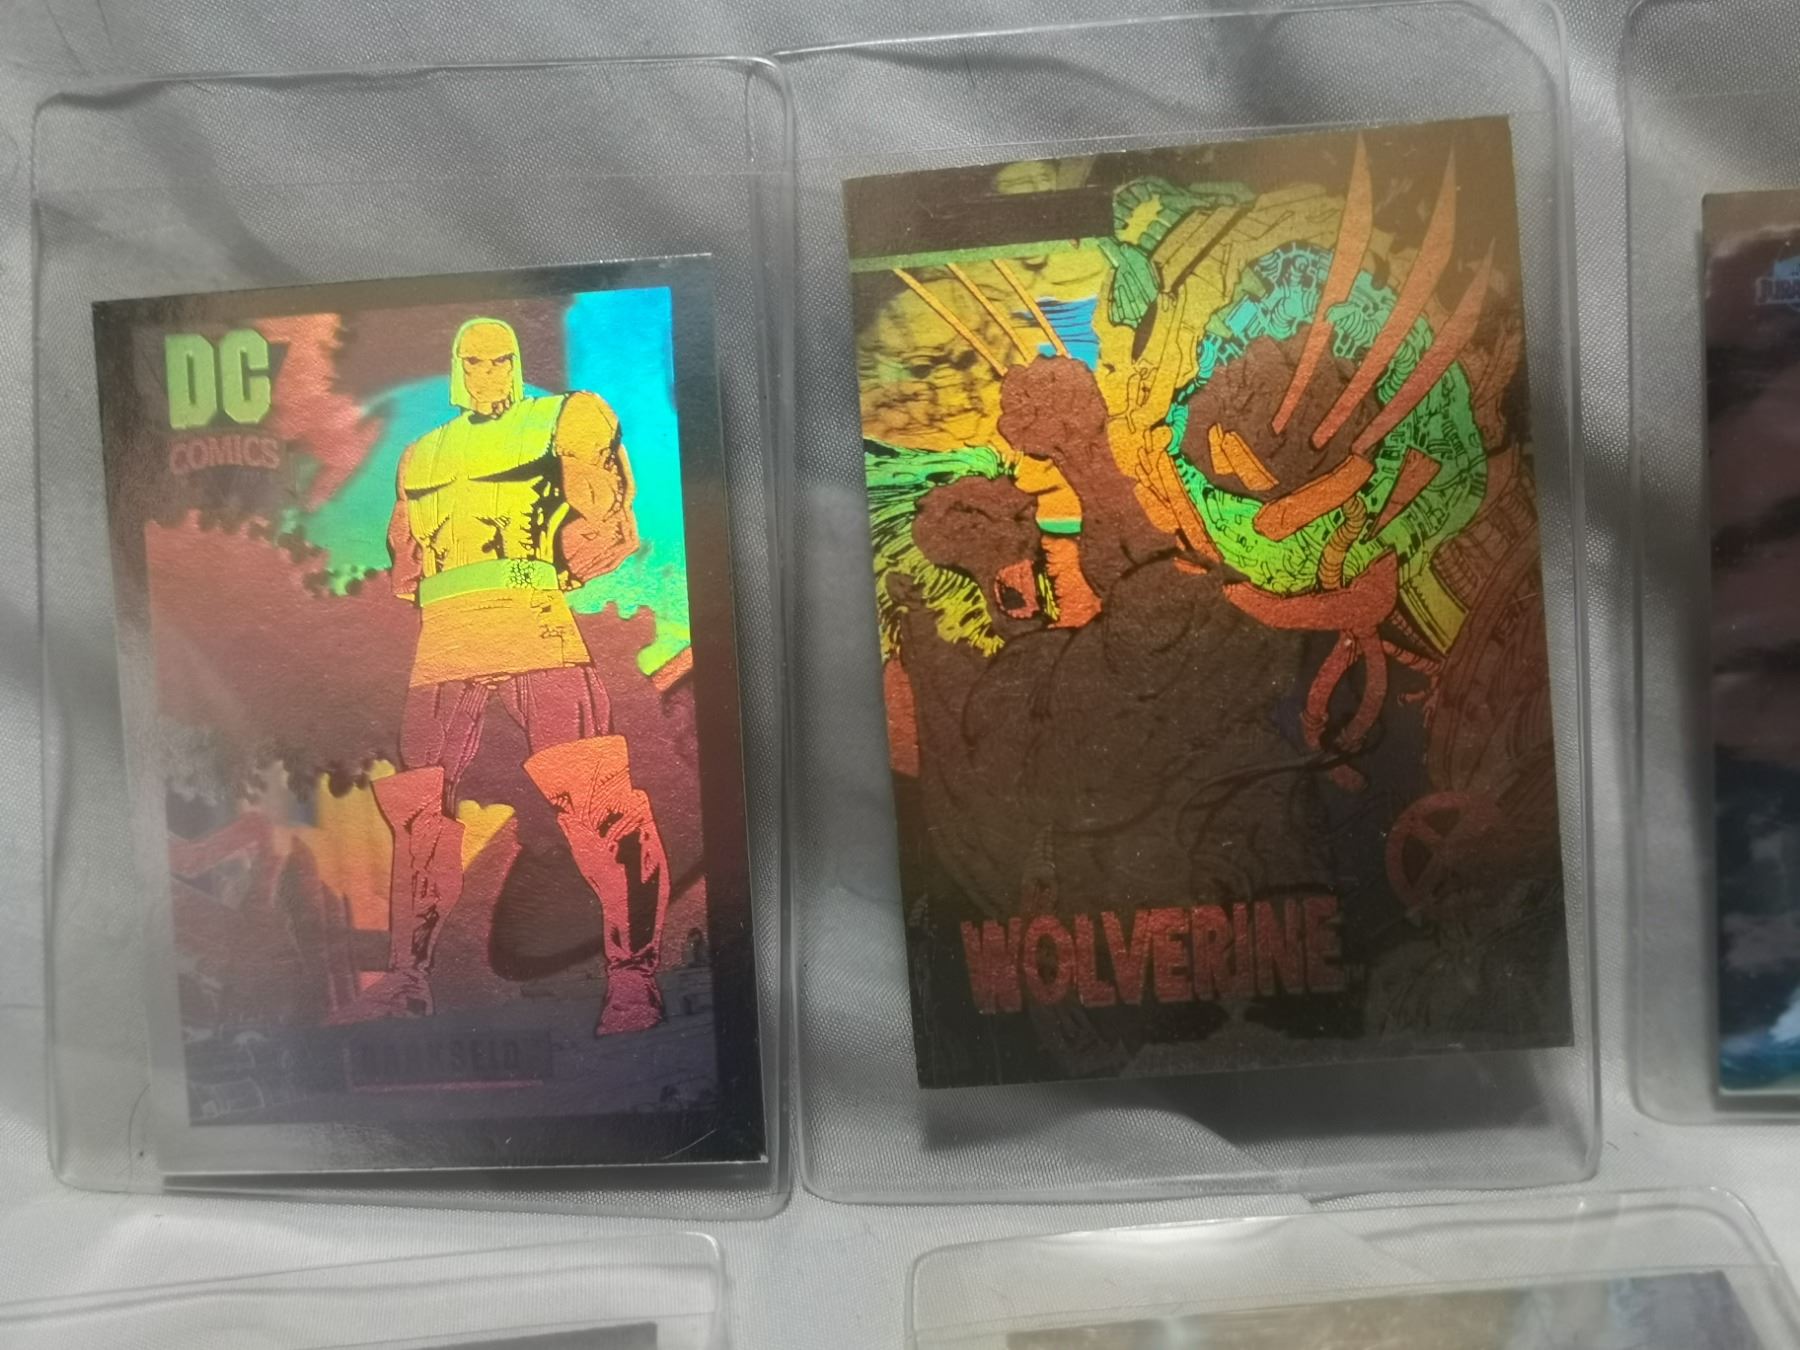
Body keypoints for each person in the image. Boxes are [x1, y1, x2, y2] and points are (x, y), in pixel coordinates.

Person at [330, 316, 670, 1035]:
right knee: (420, 807)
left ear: (516, 363)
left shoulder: (564, 417)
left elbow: (613, 524)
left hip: (531, 614)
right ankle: (407, 979)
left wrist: (560, 569)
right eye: (475, 361)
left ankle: (633, 979)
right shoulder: (421, 455)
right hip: (449, 631)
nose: (488, 373)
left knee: (596, 798)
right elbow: (407, 565)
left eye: (500, 360)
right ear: (458, 368)